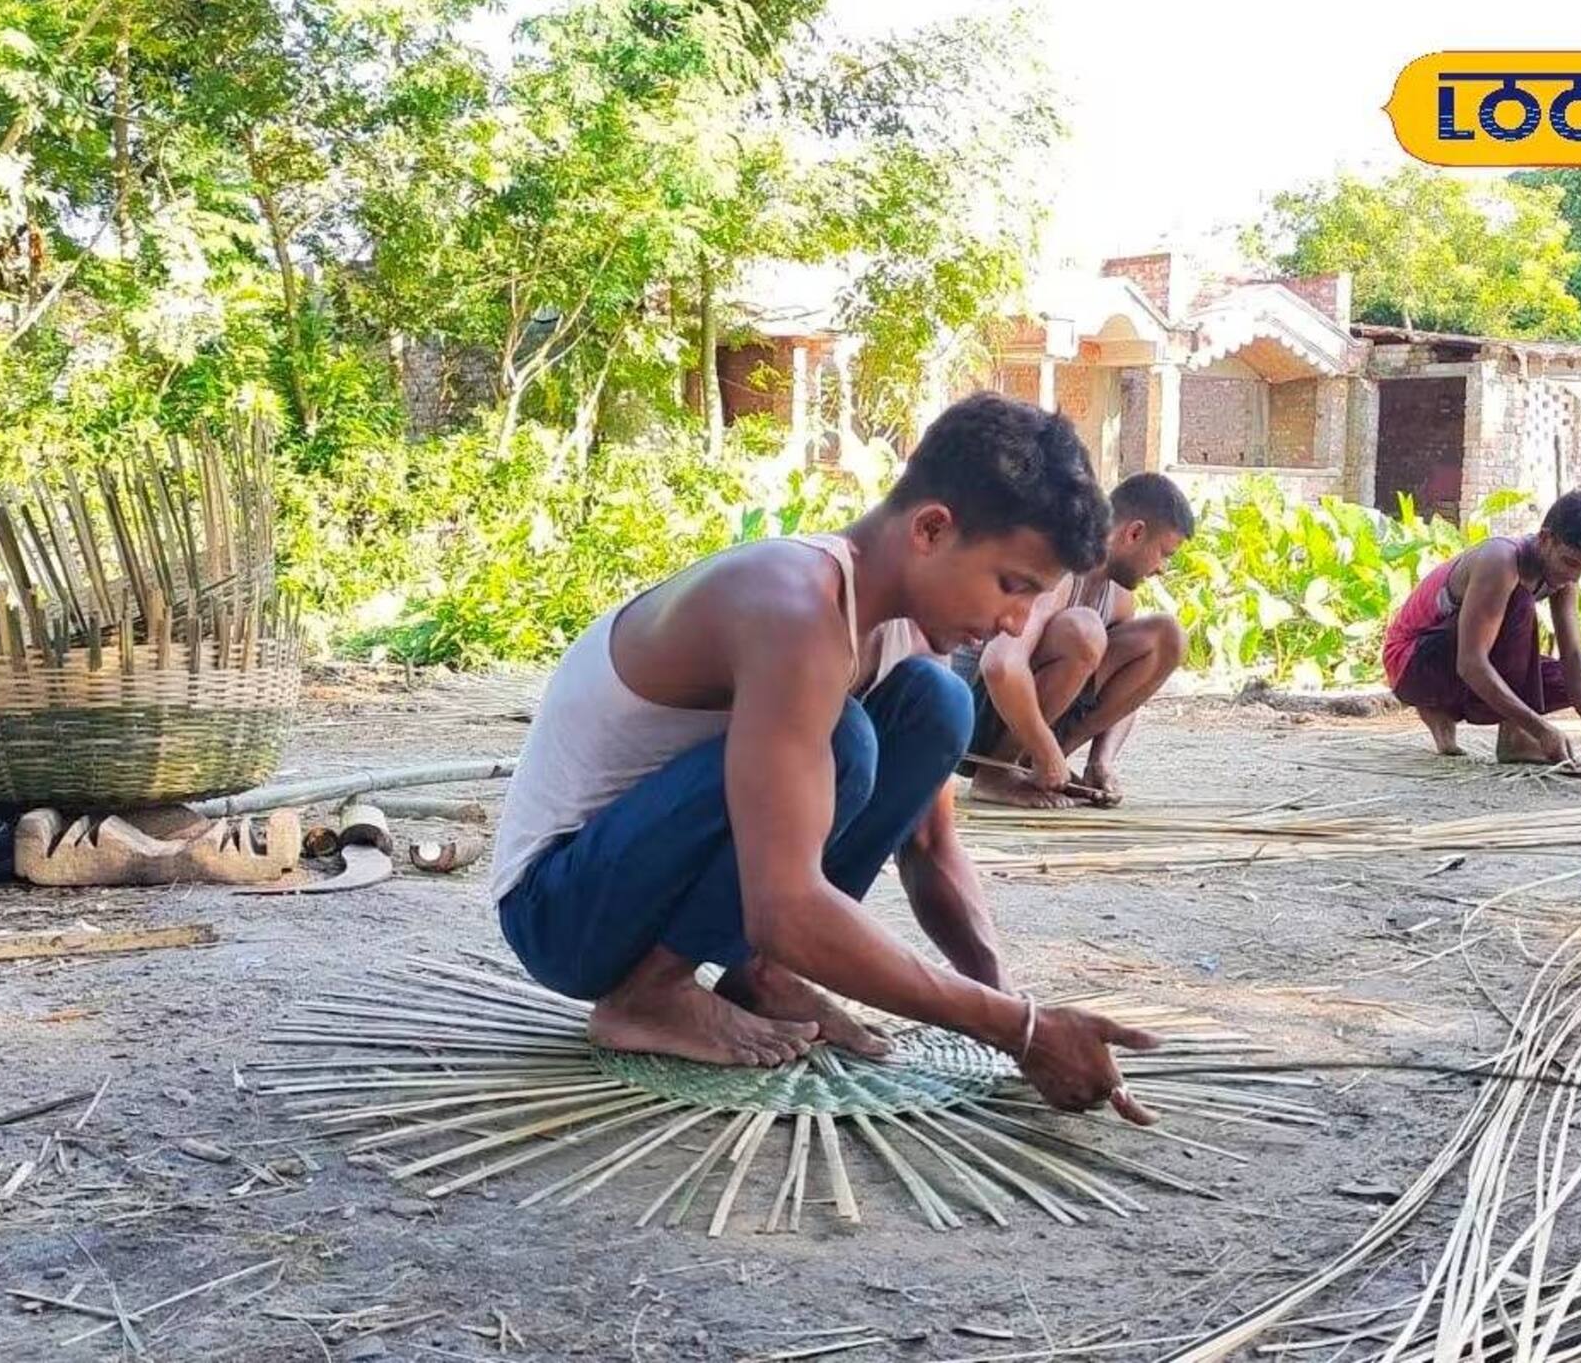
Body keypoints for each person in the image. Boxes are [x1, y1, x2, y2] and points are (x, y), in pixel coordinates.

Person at [490, 392, 1162, 1124]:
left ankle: (762, 975)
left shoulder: (896, 624)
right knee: (844, 741)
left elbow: (932, 846)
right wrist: (1020, 1029)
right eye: (1013, 586)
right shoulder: (792, 607)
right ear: (932, 529)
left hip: (639, 885)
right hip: (562, 910)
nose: (1015, 622)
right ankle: (649, 993)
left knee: (938, 706)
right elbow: (784, 907)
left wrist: (1017, 1017)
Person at [954, 472, 1193, 808]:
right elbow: (1000, 665)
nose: (1162, 569)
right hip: (966, 717)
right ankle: (999, 772)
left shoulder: (1119, 595)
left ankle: (1039, 768)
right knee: (1084, 630)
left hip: (1027, 725)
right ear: (1134, 533)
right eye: (1164, 554)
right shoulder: (1060, 565)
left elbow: (1126, 690)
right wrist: (1044, 747)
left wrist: (1100, 761)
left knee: (1167, 637)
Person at [1382, 485, 1581, 767]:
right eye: (1569, 562)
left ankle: (1443, 711)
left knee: (1565, 679)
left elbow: (1574, 657)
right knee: (1519, 603)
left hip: (1455, 665)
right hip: (1412, 663)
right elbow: (1471, 663)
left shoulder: (1565, 579)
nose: (1573, 577)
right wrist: (1539, 729)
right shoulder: (1501, 559)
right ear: (1546, 539)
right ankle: (1511, 736)